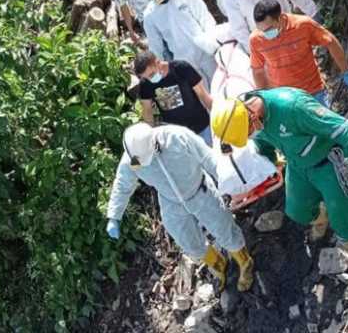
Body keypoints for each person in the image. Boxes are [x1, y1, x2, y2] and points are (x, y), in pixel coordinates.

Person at [211, 89, 348, 291]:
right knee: (298, 210)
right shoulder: (248, 115)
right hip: (298, 165)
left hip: (329, 161)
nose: (251, 134)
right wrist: (271, 159)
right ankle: (323, 217)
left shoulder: (293, 107)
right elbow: (262, 140)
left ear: (252, 115)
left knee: (344, 216)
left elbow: (342, 128)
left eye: (249, 130)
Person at [106, 122, 254, 291]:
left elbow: (207, 158)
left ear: (154, 143)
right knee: (187, 240)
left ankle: (244, 262)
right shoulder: (133, 158)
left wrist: (230, 184)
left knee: (223, 227)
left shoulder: (177, 137)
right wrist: (114, 216)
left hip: (200, 190)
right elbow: (122, 185)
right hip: (170, 202)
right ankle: (219, 266)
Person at [250, 0, 348, 107]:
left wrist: (346, 71)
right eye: (262, 30)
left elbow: (330, 42)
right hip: (285, 99)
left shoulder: (303, 25)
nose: (266, 34)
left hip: (313, 92)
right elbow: (258, 71)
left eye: (269, 29)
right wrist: (264, 97)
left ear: (280, 18)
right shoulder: (256, 40)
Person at [140, 0, 218, 86]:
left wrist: (215, 44)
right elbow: (156, 46)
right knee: (203, 96)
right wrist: (157, 72)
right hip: (183, 60)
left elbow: (206, 20)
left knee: (221, 86)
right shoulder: (149, 16)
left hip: (205, 50)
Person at [134, 51, 213, 143]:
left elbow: (203, 95)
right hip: (176, 137)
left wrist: (219, 119)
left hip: (201, 127)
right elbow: (147, 112)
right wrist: (151, 138)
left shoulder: (182, 68)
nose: (150, 80)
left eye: (151, 75)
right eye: (146, 77)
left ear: (158, 62)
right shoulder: (145, 85)